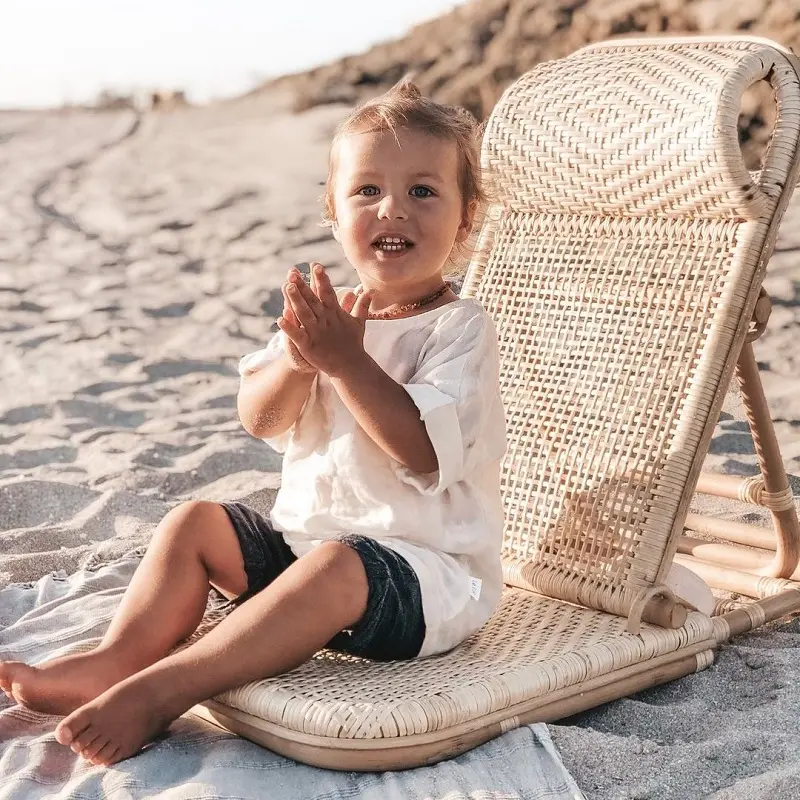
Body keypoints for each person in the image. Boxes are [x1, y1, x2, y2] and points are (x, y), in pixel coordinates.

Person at [0, 80, 508, 766]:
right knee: (196, 521)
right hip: (306, 554)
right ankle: (115, 658)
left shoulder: (458, 329)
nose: (394, 208)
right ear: (333, 212)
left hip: (421, 581)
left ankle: (166, 687)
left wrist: (348, 364)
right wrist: (301, 363)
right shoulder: (327, 316)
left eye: (423, 191)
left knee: (337, 564)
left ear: (466, 220)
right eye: (367, 191)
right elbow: (257, 417)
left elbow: (421, 452)